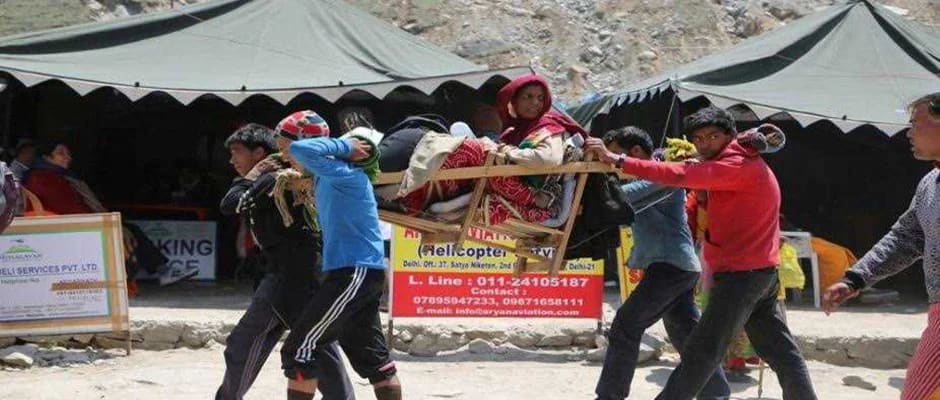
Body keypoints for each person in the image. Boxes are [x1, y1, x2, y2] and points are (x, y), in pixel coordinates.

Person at [586, 106, 817, 400]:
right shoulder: (735, 161)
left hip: (740, 276)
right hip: (758, 274)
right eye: (699, 138)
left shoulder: (734, 165)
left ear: (730, 136)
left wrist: (618, 160)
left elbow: (679, 174)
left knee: (700, 352)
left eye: (713, 136)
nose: (705, 143)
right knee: (780, 351)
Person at [216, 123, 353, 400]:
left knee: (246, 344)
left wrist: (253, 175)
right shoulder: (286, 177)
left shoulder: (272, 179)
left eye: (237, 152)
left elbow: (230, 204)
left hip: (291, 277)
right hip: (297, 274)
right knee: (315, 348)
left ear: (259, 154)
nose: (232, 160)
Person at [594, 127, 730, 400]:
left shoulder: (664, 173)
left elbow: (619, 198)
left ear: (634, 152)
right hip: (676, 267)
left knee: (625, 325)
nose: (611, 162)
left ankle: (609, 396)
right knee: (687, 336)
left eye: (615, 154)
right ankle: (716, 393)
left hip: (671, 267)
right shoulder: (652, 176)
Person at [276, 110, 401, 400]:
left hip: (353, 272)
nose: (285, 157)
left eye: (284, 149)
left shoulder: (341, 173)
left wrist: (345, 146)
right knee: (373, 359)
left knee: (300, 350)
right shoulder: (329, 176)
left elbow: (301, 149)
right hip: (360, 272)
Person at [823, 93, 940, 400]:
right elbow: (906, 238)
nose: (909, 133)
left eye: (915, 123)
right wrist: (856, 278)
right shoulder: (930, 184)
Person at [23, 140, 190, 286]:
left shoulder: (60, 176)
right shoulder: (43, 178)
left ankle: (162, 271)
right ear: (46, 157)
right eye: (61, 153)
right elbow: (71, 209)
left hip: (75, 225)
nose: (68, 157)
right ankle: (161, 271)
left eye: (68, 153)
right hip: (66, 230)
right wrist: (107, 223)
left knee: (130, 229)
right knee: (127, 230)